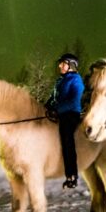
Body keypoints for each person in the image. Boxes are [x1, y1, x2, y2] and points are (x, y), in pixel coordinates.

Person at [45, 53, 85, 189]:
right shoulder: (60, 81)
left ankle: (71, 175)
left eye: (63, 63)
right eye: (60, 63)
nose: (60, 65)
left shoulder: (76, 80)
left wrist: (56, 108)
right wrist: (47, 106)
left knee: (67, 139)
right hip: (59, 113)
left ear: (71, 65)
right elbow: (52, 98)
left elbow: (74, 100)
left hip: (71, 114)